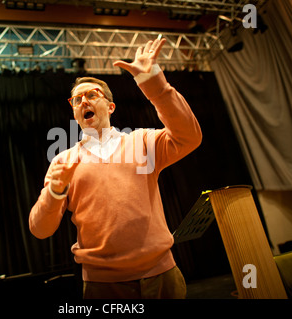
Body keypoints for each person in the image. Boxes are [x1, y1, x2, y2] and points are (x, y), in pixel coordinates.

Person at [29, 38, 202, 299]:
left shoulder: (142, 141)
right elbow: (40, 230)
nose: (83, 101)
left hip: (163, 276)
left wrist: (155, 85)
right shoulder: (63, 161)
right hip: (103, 287)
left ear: (110, 106)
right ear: (74, 112)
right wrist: (54, 192)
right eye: (77, 99)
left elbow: (189, 136)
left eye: (91, 95)